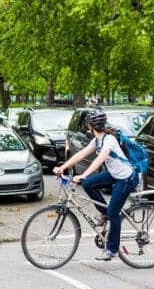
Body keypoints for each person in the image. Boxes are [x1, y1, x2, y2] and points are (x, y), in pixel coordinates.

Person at [53, 111, 138, 261]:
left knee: (114, 212)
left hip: (126, 178)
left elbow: (100, 159)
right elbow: (80, 154)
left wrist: (84, 174)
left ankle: (111, 250)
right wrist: (63, 167)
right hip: (114, 174)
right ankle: (105, 213)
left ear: (90, 127)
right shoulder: (97, 141)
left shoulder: (109, 140)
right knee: (88, 184)